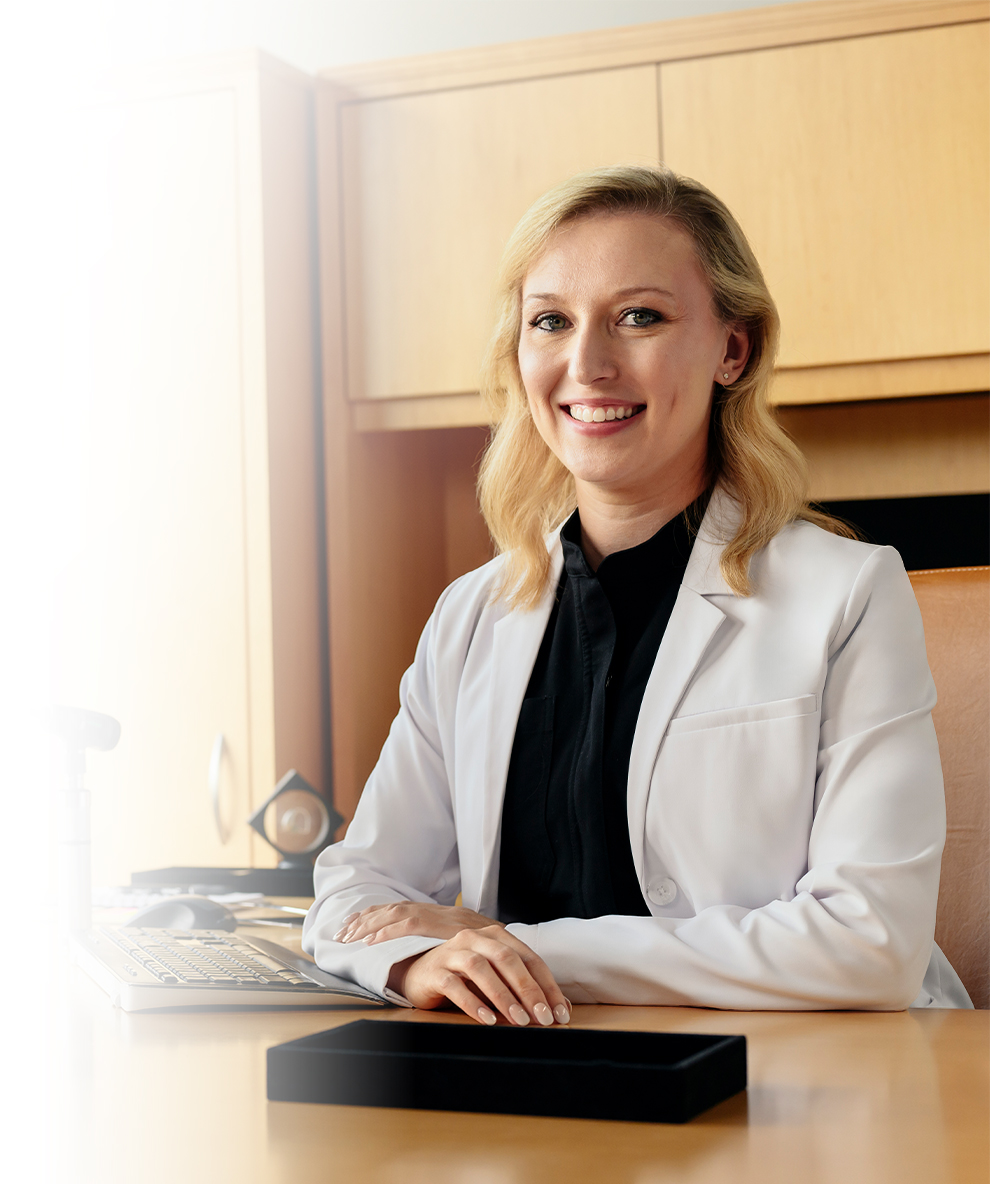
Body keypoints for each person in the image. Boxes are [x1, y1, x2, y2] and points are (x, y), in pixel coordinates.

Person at [303, 165, 972, 1024]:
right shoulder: (471, 614)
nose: (588, 363)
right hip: (532, 1085)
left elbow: (867, 947)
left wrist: (517, 946)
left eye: (640, 317)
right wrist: (411, 963)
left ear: (735, 349)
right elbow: (355, 894)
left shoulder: (847, 593)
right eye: (550, 321)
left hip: (800, 1087)